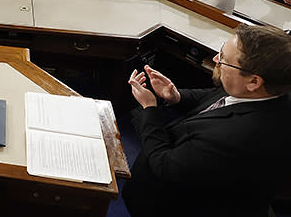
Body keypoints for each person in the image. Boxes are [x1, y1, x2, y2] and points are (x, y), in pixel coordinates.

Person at [124, 24, 291, 217]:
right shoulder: (267, 91)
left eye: (224, 60)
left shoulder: (238, 137)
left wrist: (149, 108)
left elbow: (164, 166)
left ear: (254, 82)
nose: (215, 59)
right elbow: (220, 96)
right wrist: (176, 96)